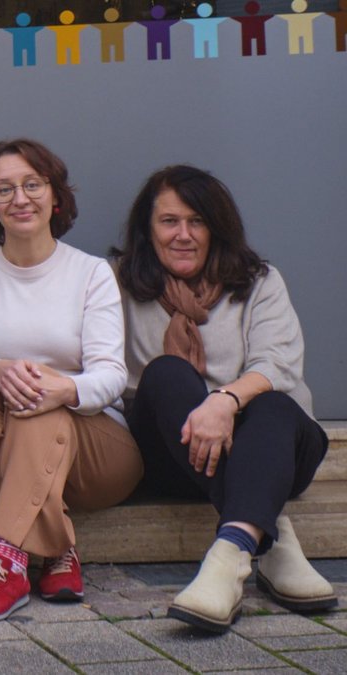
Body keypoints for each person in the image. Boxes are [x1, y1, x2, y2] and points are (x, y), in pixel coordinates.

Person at [113, 165, 335, 633]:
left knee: (273, 401)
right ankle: (269, 532)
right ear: (147, 230)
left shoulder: (260, 282)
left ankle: (228, 559)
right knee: (166, 373)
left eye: (197, 221)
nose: (183, 234)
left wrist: (224, 402)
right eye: (169, 221)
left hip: (276, 447)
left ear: (217, 227)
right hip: (173, 454)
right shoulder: (119, 285)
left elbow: (278, 365)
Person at [0, 139, 143, 622]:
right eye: (4, 189)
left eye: (33, 184)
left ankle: (6, 561)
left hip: (98, 455)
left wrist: (62, 389)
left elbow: (111, 375)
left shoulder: (91, 273)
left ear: (55, 196)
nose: (20, 198)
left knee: (37, 398)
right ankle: (56, 548)